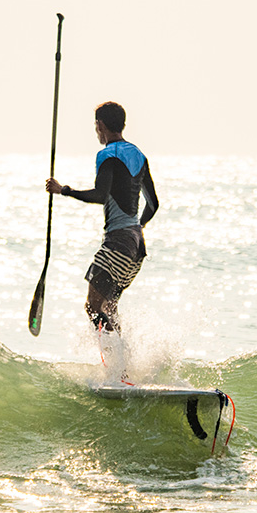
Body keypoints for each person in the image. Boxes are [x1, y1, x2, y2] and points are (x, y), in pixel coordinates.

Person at [46, 101, 159, 343]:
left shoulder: (107, 155)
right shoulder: (139, 154)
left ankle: (118, 367)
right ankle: (122, 369)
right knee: (108, 308)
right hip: (136, 248)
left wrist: (63, 190)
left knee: (93, 307)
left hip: (117, 244)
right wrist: (138, 227)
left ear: (100, 125)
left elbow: (100, 195)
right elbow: (153, 204)